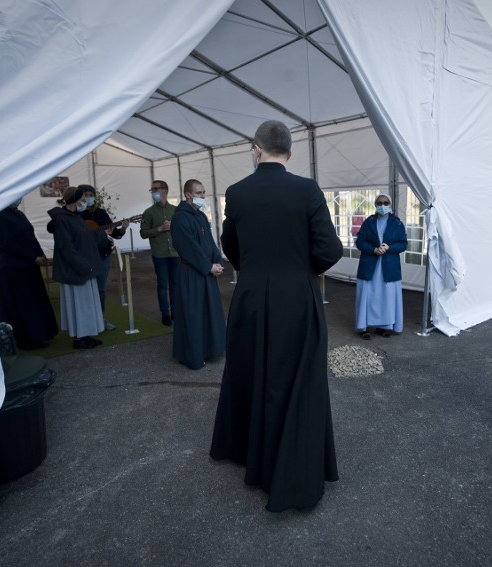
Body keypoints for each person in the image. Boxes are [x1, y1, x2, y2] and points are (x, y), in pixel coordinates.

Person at [210, 120, 343, 512]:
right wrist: (301, 268)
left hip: (250, 295)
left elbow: (229, 243)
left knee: (251, 371)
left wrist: (252, 269)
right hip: (296, 298)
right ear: (290, 151)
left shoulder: (237, 192)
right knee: (296, 377)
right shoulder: (307, 189)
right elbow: (330, 250)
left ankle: (250, 452)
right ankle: (292, 465)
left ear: (256, 149)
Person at [0, 199, 58, 349]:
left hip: (26, 265)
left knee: (33, 302)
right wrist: (32, 256)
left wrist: (40, 254)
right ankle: (27, 339)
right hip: (11, 267)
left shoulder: (17, 214)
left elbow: (30, 236)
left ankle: (40, 334)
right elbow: (8, 243)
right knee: (20, 305)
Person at [169, 179, 226, 369]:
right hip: (191, 273)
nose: (203, 196)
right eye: (199, 193)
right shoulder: (180, 218)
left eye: (203, 192)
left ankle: (210, 350)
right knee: (193, 314)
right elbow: (187, 247)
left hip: (206, 271)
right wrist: (207, 266)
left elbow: (210, 241)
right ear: (188, 195)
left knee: (209, 312)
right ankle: (193, 355)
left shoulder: (200, 216)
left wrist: (217, 260)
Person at [47, 186, 107, 349]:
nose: (84, 203)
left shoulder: (74, 217)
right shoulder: (62, 219)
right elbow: (66, 248)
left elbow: (83, 237)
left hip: (84, 268)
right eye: (82, 200)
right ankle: (79, 338)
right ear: (73, 200)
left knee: (85, 304)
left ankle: (85, 335)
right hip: (76, 270)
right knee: (79, 306)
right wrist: (84, 266)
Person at [354, 192, 407, 339]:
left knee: (387, 297)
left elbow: (403, 243)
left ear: (390, 205)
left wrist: (389, 248)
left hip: (389, 268)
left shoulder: (397, 223)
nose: (382, 205)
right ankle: (363, 327)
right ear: (375, 205)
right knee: (367, 296)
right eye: (379, 203)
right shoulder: (368, 222)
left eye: (385, 203)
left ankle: (384, 326)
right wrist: (374, 249)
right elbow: (360, 241)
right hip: (369, 265)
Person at [78, 184, 128, 330]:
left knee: (100, 289)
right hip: (84, 257)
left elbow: (114, 233)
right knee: (85, 289)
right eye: (85, 195)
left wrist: (123, 228)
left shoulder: (101, 213)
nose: (88, 198)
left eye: (90, 195)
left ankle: (101, 318)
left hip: (102, 255)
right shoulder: (76, 214)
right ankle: (86, 320)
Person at [140, 180, 179, 327]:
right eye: (152, 190)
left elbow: (183, 230)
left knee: (175, 284)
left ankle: (175, 311)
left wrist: (173, 226)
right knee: (162, 285)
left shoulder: (176, 210)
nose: (154, 192)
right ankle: (165, 314)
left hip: (175, 253)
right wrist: (159, 229)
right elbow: (143, 233)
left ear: (165, 190)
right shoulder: (148, 213)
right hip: (160, 254)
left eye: (156, 189)